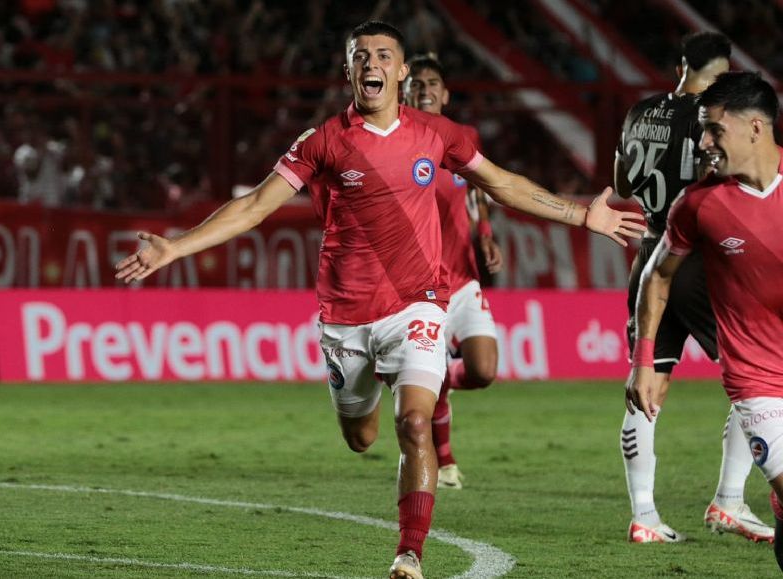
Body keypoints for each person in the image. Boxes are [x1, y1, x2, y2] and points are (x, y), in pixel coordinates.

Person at [116, 21, 644, 579]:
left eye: (383, 55)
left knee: (414, 425)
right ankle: (378, 410)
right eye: (360, 55)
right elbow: (253, 207)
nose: (372, 63)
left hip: (417, 304)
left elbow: (502, 184)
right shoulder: (321, 141)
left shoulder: (438, 133)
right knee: (360, 437)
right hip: (345, 318)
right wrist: (175, 249)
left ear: (399, 71)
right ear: (349, 71)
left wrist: (582, 214)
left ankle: (408, 554)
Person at [615, 32, 772, 544]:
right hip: (703, 260)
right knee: (757, 376)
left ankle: (643, 515)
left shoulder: (639, 113)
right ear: (721, 72)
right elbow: (716, 184)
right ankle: (729, 499)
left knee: (646, 388)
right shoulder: (710, 123)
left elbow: (621, 186)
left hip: (650, 253)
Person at [403, 54, 501, 490]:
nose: (424, 88)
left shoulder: (463, 137)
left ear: (445, 93)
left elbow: (477, 188)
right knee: (428, 386)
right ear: (404, 91)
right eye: (416, 82)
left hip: (462, 278)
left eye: (432, 82)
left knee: (482, 369)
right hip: (419, 287)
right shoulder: (398, 140)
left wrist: (484, 234)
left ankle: (447, 377)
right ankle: (445, 461)